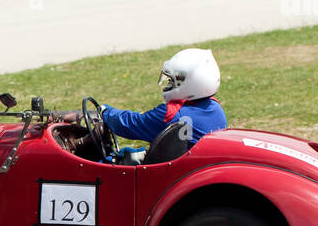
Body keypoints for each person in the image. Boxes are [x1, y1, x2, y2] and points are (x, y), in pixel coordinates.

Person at [65, 48, 227, 151]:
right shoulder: (215, 108)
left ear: (190, 82)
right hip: (184, 165)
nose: (168, 84)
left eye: (172, 80)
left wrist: (105, 112)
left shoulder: (171, 114)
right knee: (129, 154)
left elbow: (130, 124)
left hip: (166, 177)